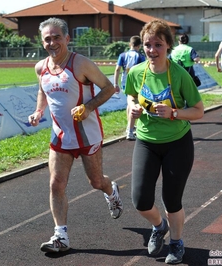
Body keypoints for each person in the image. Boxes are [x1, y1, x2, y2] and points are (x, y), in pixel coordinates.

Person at [28, 17, 123, 253]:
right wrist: (39, 110)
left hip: (87, 134)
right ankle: (61, 236)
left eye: (56, 37)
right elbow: (42, 90)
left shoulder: (80, 64)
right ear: (42, 42)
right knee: (55, 184)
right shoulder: (41, 67)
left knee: (96, 182)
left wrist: (88, 107)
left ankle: (111, 192)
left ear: (67, 39)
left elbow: (109, 88)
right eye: (47, 39)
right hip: (60, 136)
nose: (52, 43)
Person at [124, 19, 204, 264]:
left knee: (172, 200)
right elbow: (130, 96)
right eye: (148, 45)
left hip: (177, 142)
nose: (151, 50)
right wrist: (134, 108)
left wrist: (175, 113)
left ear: (168, 45)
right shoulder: (137, 72)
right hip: (146, 141)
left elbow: (199, 110)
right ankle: (159, 227)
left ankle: (177, 243)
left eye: (158, 45)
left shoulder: (179, 75)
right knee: (140, 201)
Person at [114, 35, 146, 140]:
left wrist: (115, 83)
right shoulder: (140, 56)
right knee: (134, 104)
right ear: (139, 45)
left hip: (124, 81)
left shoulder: (123, 55)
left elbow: (117, 69)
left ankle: (129, 126)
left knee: (129, 103)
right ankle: (130, 130)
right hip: (136, 82)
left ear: (130, 44)